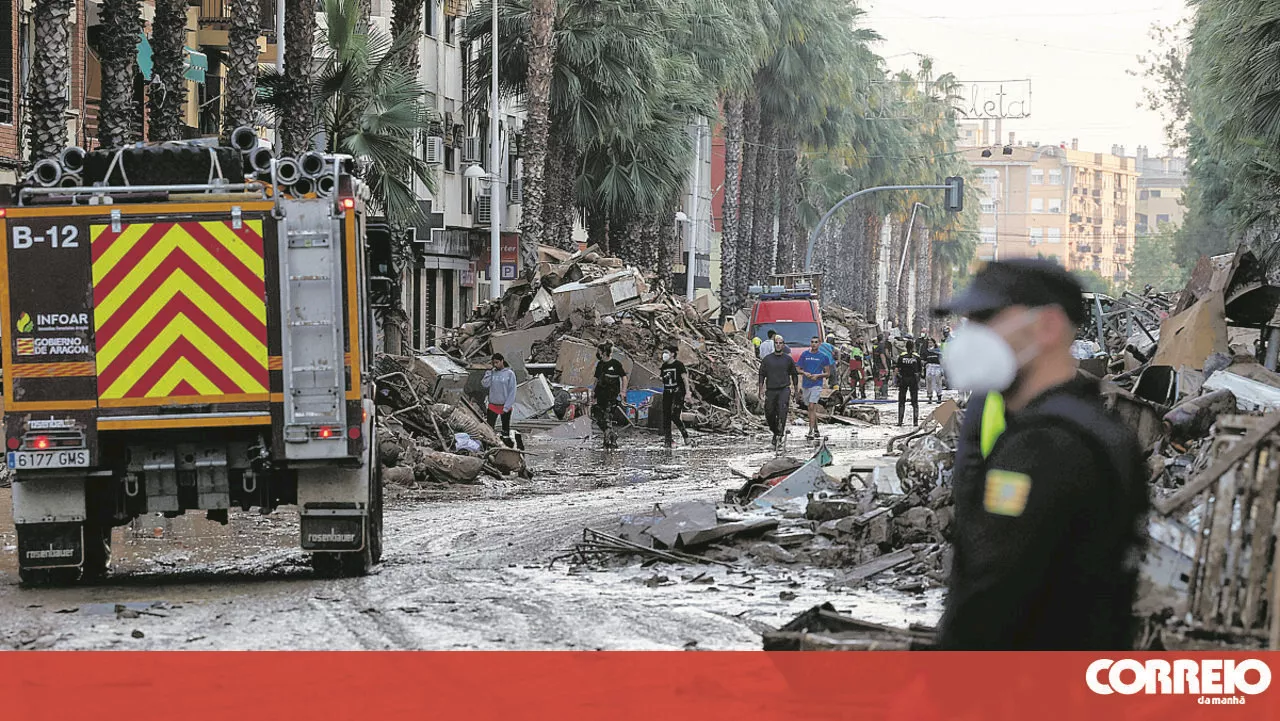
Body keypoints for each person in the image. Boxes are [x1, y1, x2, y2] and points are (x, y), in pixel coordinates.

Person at [933, 258, 1147, 650]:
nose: (970, 336)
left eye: (986, 319)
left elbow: (994, 593)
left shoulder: (1044, 444)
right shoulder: (1101, 427)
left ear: (1048, 326)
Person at [757, 336, 799, 450]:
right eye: (776, 343)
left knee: (782, 412)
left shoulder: (788, 359)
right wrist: (760, 389)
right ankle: (775, 432)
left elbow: (794, 374)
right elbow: (761, 374)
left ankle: (779, 436)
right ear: (774, 344)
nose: (778, 345)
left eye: (781, 343)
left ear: (783, 344)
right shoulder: (767, 359)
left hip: (783, 389)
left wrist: (796, 389)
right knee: (769, 413)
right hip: (771, 390)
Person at [591, 342, 628, 449]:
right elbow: (596, 379)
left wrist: (623, 391)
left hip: (611, 396)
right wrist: (593, 392)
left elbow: (624, 377)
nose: (598, 353)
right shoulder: (600, 365)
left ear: (603, 352)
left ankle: (608, 441)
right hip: (600, 395)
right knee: (597, 416)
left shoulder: (616, 364)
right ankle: (611, 435)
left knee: (607, 418)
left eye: (599, 351)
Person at [797, 337, 832, 440]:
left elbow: (828, 373)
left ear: (819, 344)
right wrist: (804, 373)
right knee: (810, 408)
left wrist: (818, 376)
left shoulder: (823, 357)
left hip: (817, 384)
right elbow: (798, 368)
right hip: (806, 384)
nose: (814, 344)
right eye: (812, 342)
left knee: (812, 407)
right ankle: (816, 429)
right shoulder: (805, 355)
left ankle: (810, 431)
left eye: (816, 342)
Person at [659, 344, 691, 448]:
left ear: (672, 354)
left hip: (678, 393)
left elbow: (685, 379)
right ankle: (668, 440)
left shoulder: (679, 365)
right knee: (666, 417)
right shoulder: (664, 366)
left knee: (674, 415)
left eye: (666, 353)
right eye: (663, 352)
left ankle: (686, 436)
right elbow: (664, 379)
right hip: (667, 392)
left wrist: (687, 392)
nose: (664, 355)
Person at [482, 353, 518, 444]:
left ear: (502, 361)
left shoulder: (510, 374)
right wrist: (489, 372)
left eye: (497, 362)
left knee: (505, 429)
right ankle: (490, 446)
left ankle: (506, 446)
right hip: (492, 405)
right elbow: (484, 384)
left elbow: (512, 391)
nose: (495, 365)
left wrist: (507, 407)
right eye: (493, 363)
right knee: (489, 429)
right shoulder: (492, 373)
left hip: (505, 406)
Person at [895, 339, 923, 426]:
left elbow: (897, 369)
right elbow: (919, 371)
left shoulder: (901, 357)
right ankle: (915, 422)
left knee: (901, 401)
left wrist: (896, 380)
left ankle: (900, 421)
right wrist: (918, 382)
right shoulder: (917, 357)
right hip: (913, 380)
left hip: (903, 380)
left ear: (906, 347)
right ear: (913, 347)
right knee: (915, 401)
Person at [921, 337, 944, 403]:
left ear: (934, 343)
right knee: (929, 382)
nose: (929, 344)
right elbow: (923, 360)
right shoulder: (926, 352)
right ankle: (930, 397)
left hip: (937, 367)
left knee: (938, 382)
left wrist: (942, 369)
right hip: (929, 367)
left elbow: (941, 360)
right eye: (928, 343)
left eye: (931, 342)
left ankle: (939, 396)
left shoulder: (938, 351)